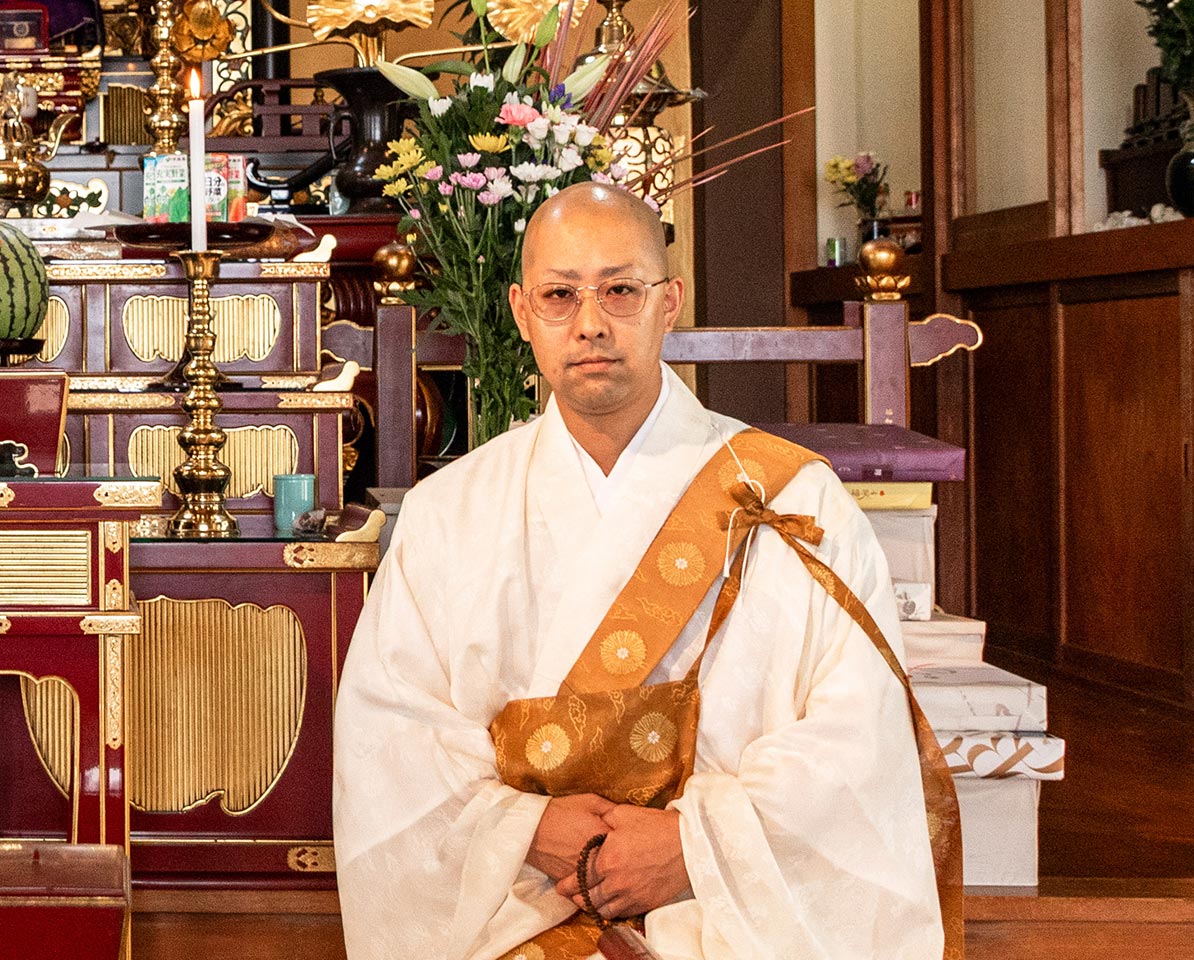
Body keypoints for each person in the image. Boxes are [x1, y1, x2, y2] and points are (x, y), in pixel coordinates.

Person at [333, 182, 953, 960]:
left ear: (670, 301)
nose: (590, 323)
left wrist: (696, 847)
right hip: (515, 912)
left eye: (621, 290)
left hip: (723, 919)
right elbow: (390, 743)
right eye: (560, 295)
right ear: (523, 314)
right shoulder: (446, 514)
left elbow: (858, 744)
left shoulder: (795, 503)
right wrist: (527, 828)